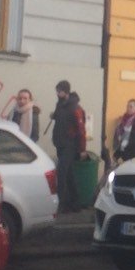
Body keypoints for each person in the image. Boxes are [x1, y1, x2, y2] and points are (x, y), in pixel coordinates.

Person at [51, 80, 86, 213]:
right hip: (60, 143)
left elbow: (81, 130)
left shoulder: (75, 108)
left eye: (59, 91)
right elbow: (59, 118)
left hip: (70, 145)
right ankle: (75, 203)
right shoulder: (60, 105)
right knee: (69, 174)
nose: (57, 93)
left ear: (65, 91)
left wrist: (82, 149)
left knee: (62, 172)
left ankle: (61, 204)